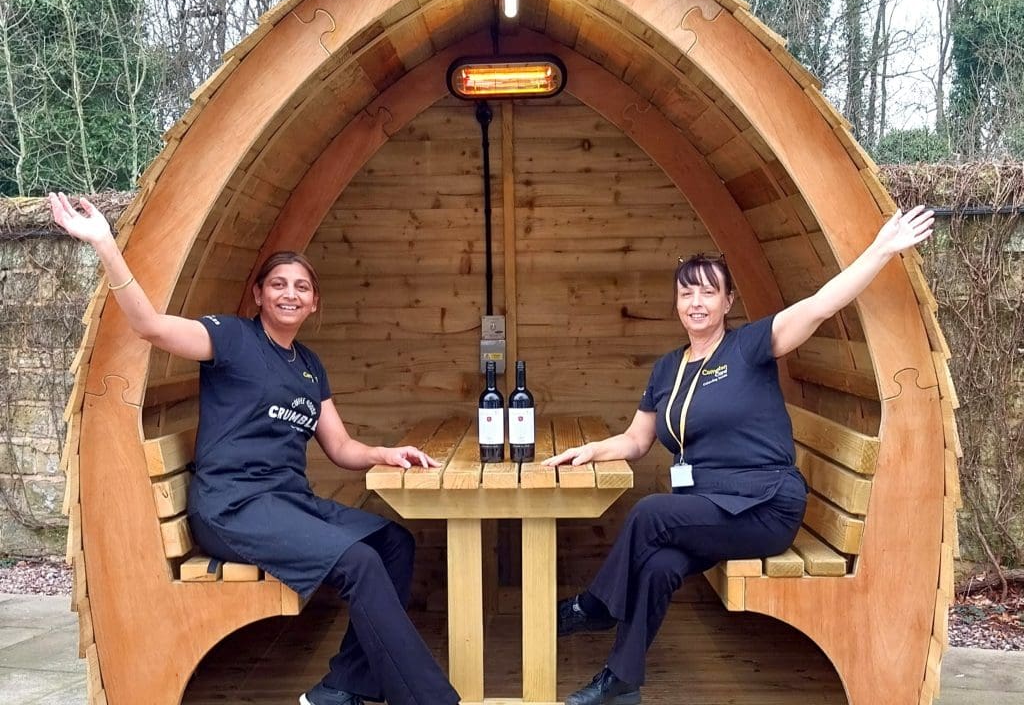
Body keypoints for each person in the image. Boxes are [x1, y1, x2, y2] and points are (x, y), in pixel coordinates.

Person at [49, 193, 460, 705]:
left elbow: (340, 446)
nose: (290, 294)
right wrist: (105, 243)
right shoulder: (231, 338)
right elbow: (150, 326)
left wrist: (385, 453)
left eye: (302, 287)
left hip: (289, 503)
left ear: (314, 303)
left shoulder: (310, 364)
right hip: (233, 507)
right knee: (358, 562)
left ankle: (344, 686)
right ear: (259, 294)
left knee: (394, 542)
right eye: (279, 284)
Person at [543, 205, 935, 705]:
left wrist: (881, 249)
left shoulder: (750, 346)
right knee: (660, 564)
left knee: (648, 513)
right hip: (710, 509)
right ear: (677, 305)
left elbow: (818, 305)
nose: (697, 302)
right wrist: (589, 451)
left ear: (728, 301)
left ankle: (594, 606)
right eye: (687, 293)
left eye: (709, 291)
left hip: (765, 506)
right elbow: (636, 441)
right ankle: (621, 682)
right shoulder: (667, 369)